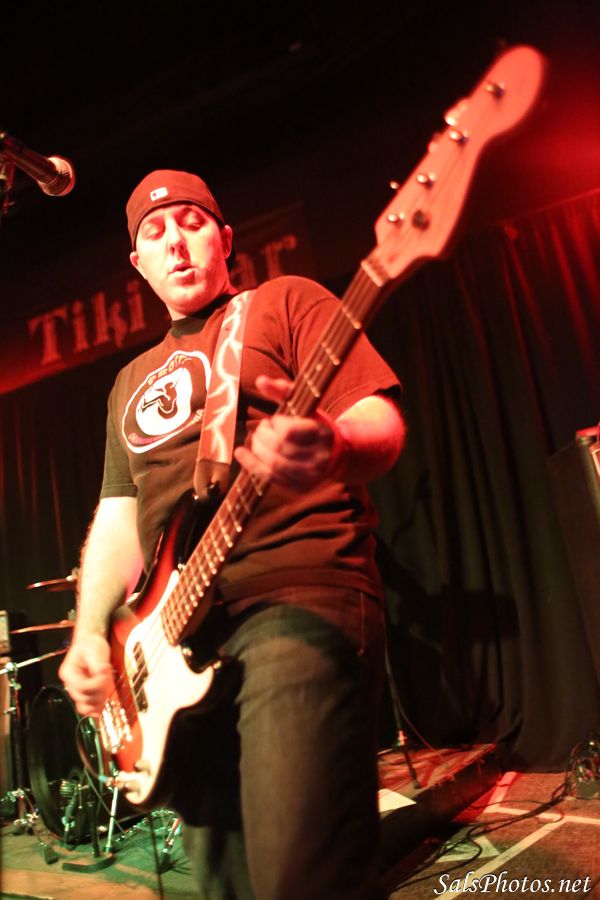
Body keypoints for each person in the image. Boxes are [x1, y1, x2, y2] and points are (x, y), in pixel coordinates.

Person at [59, 169, 405, 900]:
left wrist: (334, 448)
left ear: (224, 239)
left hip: (295, 594)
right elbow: (119, 514)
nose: (175, 243)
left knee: (300, 878)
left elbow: (379, 421)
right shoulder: (128, 383)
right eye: (155, 233)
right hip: (180, 645)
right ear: (138, 266)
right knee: (229, 886)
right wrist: (90, 633)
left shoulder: (287, 302)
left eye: (191, 224)